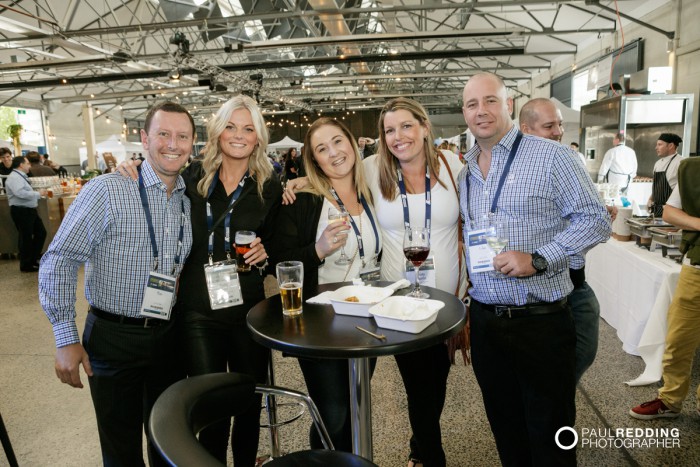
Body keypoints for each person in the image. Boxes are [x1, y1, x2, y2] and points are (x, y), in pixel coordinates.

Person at [284, 98, 465, 467]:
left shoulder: (454, 165)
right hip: (391, 305)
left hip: (443, 302)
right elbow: (332, 174)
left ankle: (415, 449)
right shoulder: (374, 167)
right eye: (389, 130)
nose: (398, 137)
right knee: (391, 393)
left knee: (432, 384)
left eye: (406, 126)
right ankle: (430, 456)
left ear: (425, 127)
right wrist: (299, 181)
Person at [117, 94, 280, 465]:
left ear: (258, 137)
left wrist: (265, 250)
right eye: (231, 126)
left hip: (249, 308)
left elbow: (275, 238)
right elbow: (155, 182)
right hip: (197, 309)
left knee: (248, 399)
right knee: (210, 402)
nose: (239, 135)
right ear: (218, 131)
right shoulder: (191, 176)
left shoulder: (269, 184)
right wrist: (130, 166)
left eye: (249, 128)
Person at [460, 73, 610, 466]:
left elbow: (596, 220)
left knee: (551, 435)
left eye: (490, 100)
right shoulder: (467, 170)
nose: (481, 111)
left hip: (541, 321)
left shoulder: (552, 155)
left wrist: (539, 257)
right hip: (487, 322)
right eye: (472, 104)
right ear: (464, 113)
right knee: (506, 430)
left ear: (508, 104)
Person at [38, 101, 196, 466]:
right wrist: (65, 337)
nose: (173, 144)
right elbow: (59, 259)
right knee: (120, 450)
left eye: (182, 136)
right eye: (163, 134)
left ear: (191, 144)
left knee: (168, 441)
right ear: (144, 138)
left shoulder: (186, 199)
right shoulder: (107, 190)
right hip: (113, 338)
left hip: (168, 337)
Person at [270, 117, 382, 452]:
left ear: (352, 142)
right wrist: (318, 250)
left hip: (367, 320)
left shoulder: (372, 189)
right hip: (321, 323)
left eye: (337, 141)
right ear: (313, 159)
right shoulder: (302, 199)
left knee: (355, 407)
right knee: (332, 415)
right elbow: (281, 259)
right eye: (322, 148)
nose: (333, 153)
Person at [519, 97, 603, 383]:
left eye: (560, 124)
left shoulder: (566, 159)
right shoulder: (521, 174)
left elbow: (591, 217)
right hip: (547, 289)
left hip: (576, 281)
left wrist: (596, 212)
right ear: (526, 130)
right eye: (549, 126)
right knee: (555, 369)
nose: (558, 131)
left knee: (583, 353)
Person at [630, 157, 700, 420]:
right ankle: (670, 399)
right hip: (697, 268)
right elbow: (670, 213)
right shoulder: (693, 169)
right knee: (679, 339)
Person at [5, 155, 47, 272]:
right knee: (26, 237)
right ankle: (26, 264)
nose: (29, 166)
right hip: (21, 210)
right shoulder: (14, 178)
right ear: (21, 165)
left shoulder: (21, 176)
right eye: (27, 163)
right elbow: (20, 193)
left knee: (41, 233)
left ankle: (33, 259)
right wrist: (37, 194)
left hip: (29, 209)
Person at [647, 133, 683, 217]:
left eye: (660, 145)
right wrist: (650, 199)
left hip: (672, 212)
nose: (656, 148)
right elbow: (657, 186)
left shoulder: (681, 162)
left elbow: (683, 190)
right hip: (657, 211)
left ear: (670, 145)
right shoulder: (657, 163)